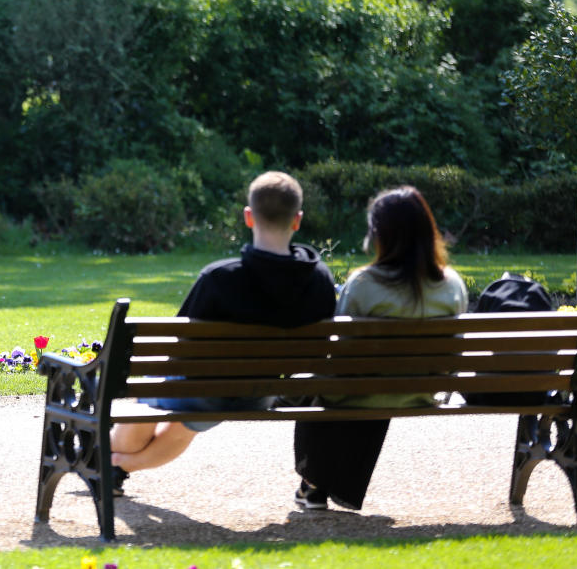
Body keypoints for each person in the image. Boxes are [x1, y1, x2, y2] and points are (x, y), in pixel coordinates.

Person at [109, 171, 336, 492]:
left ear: (248, 216)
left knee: (156, 397)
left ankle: (109, 461)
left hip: (207, 391)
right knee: (184, 415)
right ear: (297, 220)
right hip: (262, 395)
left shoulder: (220, 278)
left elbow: (178, 347)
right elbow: (320, 352)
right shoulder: (321, 281)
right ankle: (115, 466)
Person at [293, 185, 467, 510]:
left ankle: (314, 483)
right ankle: (329, 486)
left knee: (333, 386)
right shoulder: (452, 285)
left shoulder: (363, 283)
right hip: (421, 392)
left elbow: (337, 355)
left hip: (359, 391)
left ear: (380, 235)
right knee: (371, 383)